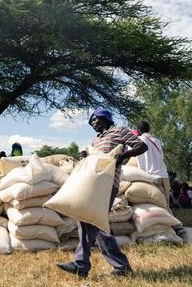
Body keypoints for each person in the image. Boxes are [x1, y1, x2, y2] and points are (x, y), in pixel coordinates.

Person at [55, 109, 147, 278]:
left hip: (108, 183)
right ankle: (121, 267)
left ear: (104, 118)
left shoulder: (119, 131)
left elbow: (142, 146)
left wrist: (122, 156)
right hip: (93, 183)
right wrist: (85, 155)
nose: (92, 124)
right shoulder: (95, 140)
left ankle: (81, 264)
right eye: (91, 122)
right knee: (93, 222)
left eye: (94, 120)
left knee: (90, 221)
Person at [135, 121, 171, 207]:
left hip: (151, 177)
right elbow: (161, 157)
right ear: (149, 130)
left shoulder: (137, 141)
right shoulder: (157, 141)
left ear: (138, 130)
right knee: (166, 205)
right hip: (164, 176)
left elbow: (129, 155)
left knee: (155, 206)